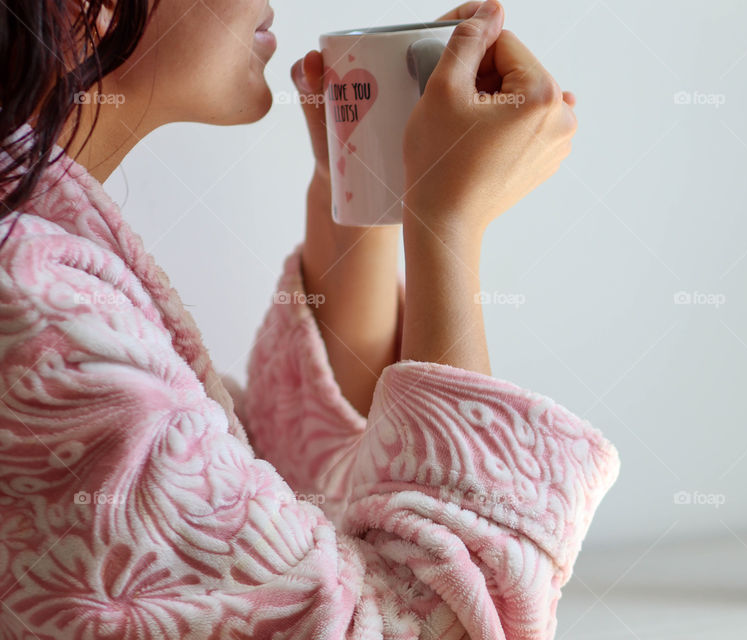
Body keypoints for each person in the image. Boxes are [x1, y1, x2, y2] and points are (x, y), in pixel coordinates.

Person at [0, 0, 620, 637]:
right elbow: (430, 623)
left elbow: (263, 496)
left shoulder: (39, 255)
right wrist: (447, 225)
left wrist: (362, 182)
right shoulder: (33, 303)